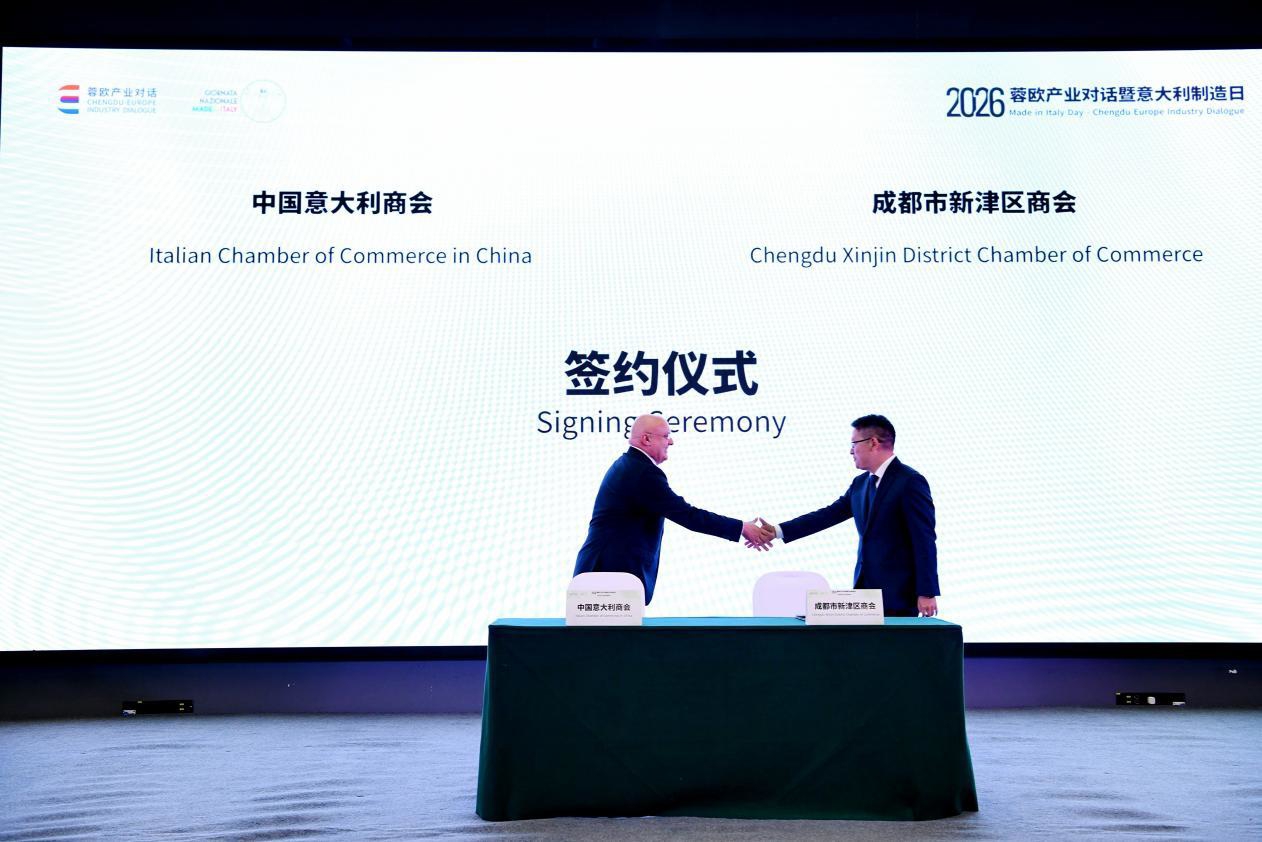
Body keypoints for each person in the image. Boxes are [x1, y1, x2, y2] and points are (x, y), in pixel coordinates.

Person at [573, 414, 774, 604]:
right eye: (666, 436)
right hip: (609, 576)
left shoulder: (630, 464)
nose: (671, 442)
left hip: (607, 573)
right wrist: (742, 528)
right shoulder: (643, 473)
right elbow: (688, 515)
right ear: (646, 439)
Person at [760, 415, 940, 617]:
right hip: (864, 593)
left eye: (854, 444)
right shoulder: (860, 484)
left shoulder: (910, 481)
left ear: (873, 443)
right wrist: (777, 531)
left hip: (900, 595)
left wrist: (927, 592)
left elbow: (924, 539)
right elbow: (827, 515)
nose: (850, 451)